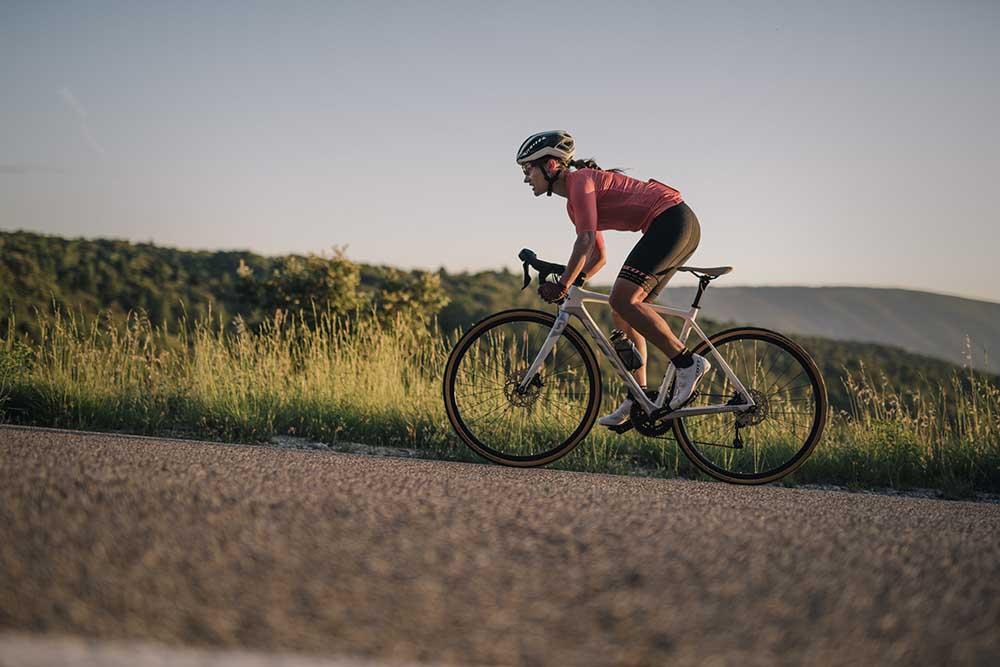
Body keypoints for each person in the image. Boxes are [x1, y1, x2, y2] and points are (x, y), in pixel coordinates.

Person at [516, 130, 710, 426]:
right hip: (671, 225)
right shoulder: (574, 202)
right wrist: (575, 284)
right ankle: (639, 398)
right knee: (623, 311)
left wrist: (564, 283)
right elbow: (597, 256)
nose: (526, 177)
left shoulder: (580, 181)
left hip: (672, 220)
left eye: (528, 168)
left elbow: (584, 242)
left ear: (551, 165)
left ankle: (687, 363)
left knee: (623, 298)